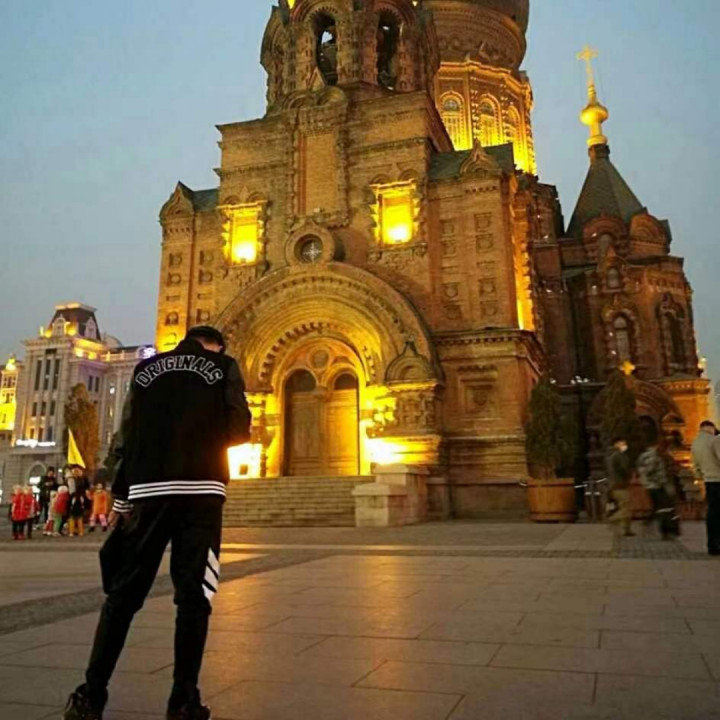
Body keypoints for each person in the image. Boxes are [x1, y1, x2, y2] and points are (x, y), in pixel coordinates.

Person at [63, 326, 251, 720]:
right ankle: (183, 702)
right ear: (215, 346)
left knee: (122, 596)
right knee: (194, 598)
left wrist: (121, 494)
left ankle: (90, 696)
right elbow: (239, 428)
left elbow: (126, 435)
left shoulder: (146, 369)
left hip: (147, 492)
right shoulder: (223, 366)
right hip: (201, 492)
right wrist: (202, 439)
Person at [637, 433, 679, 540]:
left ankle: (652, 525)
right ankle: (666, 531)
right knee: (665, 508)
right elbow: (648, 471)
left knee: (660, 508)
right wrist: (659, 480)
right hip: (657, 486)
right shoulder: (653, 456)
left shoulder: (659, 455)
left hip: (658, 485)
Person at [692, 420, 720, 555]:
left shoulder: (695, 443)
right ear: (710, 428)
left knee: (712, 513)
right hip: (719, 479)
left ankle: (712, 544)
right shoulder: (714, 440)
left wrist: (700, 478)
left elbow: (695, 465)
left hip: (708, 481)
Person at [606, 436, 635, 537]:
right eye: (622, 443)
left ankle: (626, 529)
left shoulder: (610, 455)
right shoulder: (618, 455)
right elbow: (623, 469)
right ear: (616, 444)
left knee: (624, 506)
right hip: (620, 484)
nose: (624, 446)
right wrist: (629, 475)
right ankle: (612, 519)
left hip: (614, 484)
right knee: (625, 507)